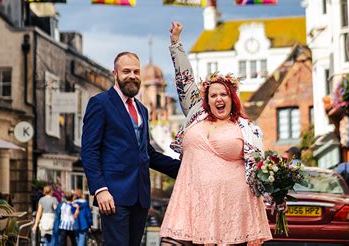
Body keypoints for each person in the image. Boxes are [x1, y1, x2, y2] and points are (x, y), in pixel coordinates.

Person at [160, 21, 272, 246]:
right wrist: (176, 44)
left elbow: (260, 170)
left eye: (224, 94)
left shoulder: (247, 129)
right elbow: (185, 79)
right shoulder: (196, 113)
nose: (218, 99)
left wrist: (274, 193)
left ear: (232, 98)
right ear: (206, 100)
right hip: (192, 203)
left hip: (233, 209)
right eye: (213, 95)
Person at [81, 50, 180, 246]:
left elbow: (147, 153)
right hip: (113, 195)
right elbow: (89, 151)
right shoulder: (100, 103)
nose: (132, 76)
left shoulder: (142, 109)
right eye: (126, 71)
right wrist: (100, 189)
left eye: (136, 71)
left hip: (140, 197)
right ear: (115, 73)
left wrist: (184, 168)